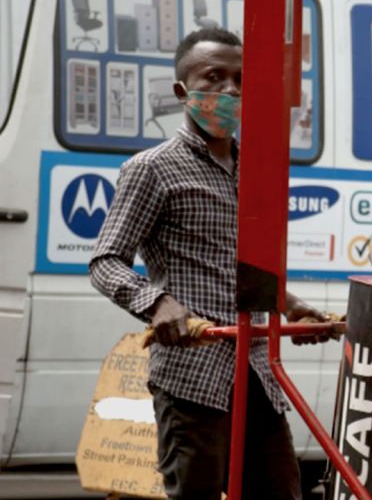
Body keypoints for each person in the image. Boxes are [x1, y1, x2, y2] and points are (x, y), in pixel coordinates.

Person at [90, 27, 333, 500]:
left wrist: (292, 305)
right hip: (193, 381)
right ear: (183, 91)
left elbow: (245, 269)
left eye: (240, 79)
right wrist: (157, 304)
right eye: (214, 77)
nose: (230, 91)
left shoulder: (257, 171)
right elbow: (106, 261)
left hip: (259, 374)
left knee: (281, 491)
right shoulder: (152, 168)